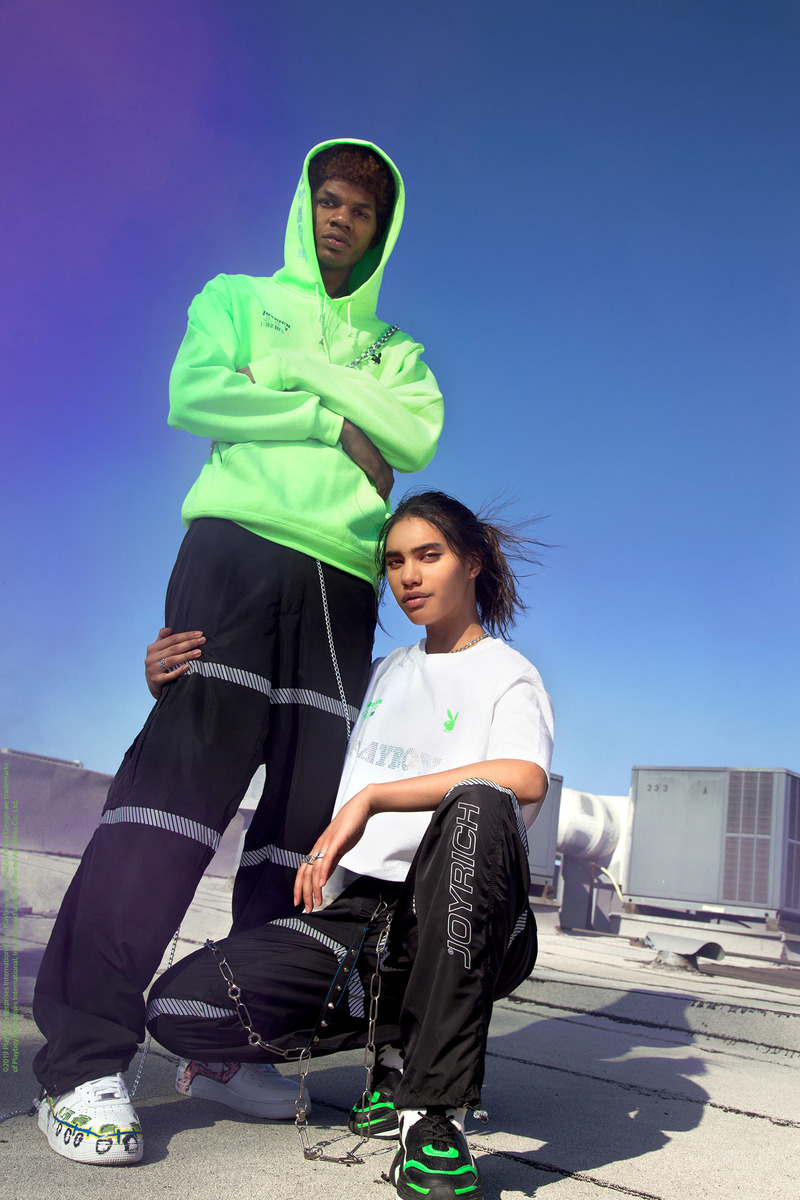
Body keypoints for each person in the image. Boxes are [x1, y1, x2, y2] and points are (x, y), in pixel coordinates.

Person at [33, 139, 443, 1166]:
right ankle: (83, 1060)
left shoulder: (394, 347)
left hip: (342, 584)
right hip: (236, 552)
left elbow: (412, 439)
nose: (340, 218)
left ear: (380, 230)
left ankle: (228, 1045)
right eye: (328, 200)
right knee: (173, 802)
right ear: (306, 207)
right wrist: (329, 419)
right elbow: (197, 395)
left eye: (360, 210)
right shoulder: (235, 298)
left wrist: (301, 379)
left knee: (298, 834)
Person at [140, 491, 554, 1199]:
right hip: (365, 919)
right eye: (394, 562)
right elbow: (286, 713)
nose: (409, 576)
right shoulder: (386, 672)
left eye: (429, 555)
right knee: (178, 1005)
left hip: (470, 919)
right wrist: (176, 682)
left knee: (480, 802)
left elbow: (524, 777)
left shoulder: (506, 673)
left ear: (473, 562)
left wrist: (372, 798)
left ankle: (431, 1116)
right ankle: (393, 1045)